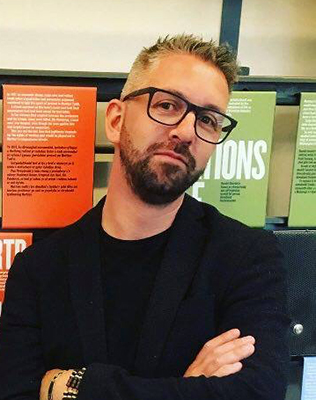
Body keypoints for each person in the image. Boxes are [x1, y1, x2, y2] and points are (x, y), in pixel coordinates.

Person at [0, 34, 289, 400]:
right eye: (167, 105)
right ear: (116, 121)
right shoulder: (38, 270)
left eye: (209, 119)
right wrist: (191, 388)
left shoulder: (246, 257)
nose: (186, 132)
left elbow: (257, 393)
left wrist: (80, 388)